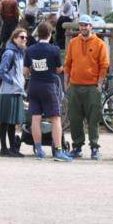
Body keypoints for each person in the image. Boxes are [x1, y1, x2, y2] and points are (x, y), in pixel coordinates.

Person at [24, 22, 72, 161]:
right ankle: (58, 151)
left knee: (35, 118)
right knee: (55, 118)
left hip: (34, 85)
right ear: (50, 34)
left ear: (38, 34)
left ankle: (39, 150)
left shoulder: (30, 50)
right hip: (48, 86)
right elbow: (59, 69)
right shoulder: (54, 50)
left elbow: (25, 71)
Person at [64, 15, 109, 159]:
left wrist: (99, 85)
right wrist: (66, 84)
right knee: (74, 119)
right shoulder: (73, 42)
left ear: (91, 26)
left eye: (86, 25)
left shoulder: (100, 43)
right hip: (74, 86)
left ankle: (94, 148)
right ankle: (77, 147)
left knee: (93, 119)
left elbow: (104, 65)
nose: (83, 27)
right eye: (81, 25)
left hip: (92, 87)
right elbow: (68, 64)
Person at [0, 28, 28, 157]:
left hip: (16, 91)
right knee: (4, 121)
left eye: (25, 37)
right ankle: (3, 148)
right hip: (8, 92)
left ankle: (12, 148)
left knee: (12, 121)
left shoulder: (20, 53)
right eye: (22, 37)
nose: (24, 39)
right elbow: (1, 72)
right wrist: (13, 82)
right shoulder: (9, 53)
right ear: (14, 38)